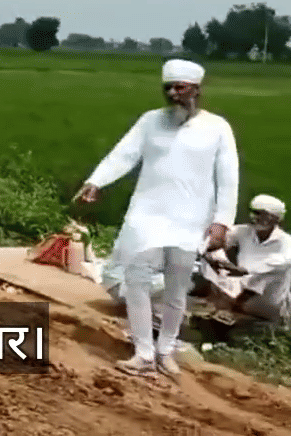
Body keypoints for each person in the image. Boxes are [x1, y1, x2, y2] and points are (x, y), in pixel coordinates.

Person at [76, 58, 239, 377]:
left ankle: (166, 350)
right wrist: (96, 181)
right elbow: (124, 153)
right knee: (136, 282)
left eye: (180, 87)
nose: (173, 94)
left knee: (178, 289)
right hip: (146, 216)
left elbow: (229, 178)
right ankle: (143, 353)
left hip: (190, 219)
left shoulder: (217, 128)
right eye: (168, 88)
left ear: (196, 89)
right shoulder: (150, 121)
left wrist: (221, 221)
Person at [199, 194, 291, 325]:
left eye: (263, 214)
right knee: (208, 259)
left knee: (275, 272)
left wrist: (247, 270)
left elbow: (284, 262)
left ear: (276, 219)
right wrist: (215, 258)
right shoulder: (244, 231)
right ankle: (223, 302)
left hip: (268, 302)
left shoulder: (286, 242)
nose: (256, 218)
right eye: (255, 213)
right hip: (239, 290)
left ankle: (232, 305)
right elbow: (212, 241)